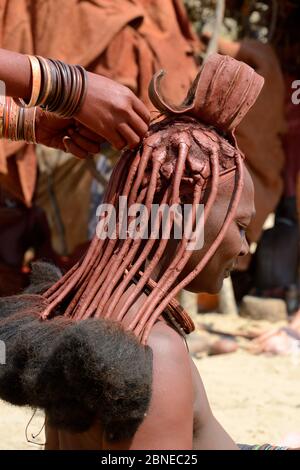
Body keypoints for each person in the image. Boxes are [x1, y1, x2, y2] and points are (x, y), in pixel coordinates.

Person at [0, 55, 292, 450]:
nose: (245, 246)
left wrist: (24, 118)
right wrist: (68, 87)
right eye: (239, 227)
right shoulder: (153, 353)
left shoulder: (93, 322)